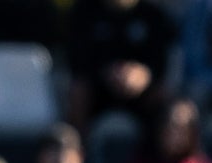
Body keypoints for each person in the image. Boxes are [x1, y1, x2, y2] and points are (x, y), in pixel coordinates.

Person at [64, 0, 179, 131]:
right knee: (79, 91)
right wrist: (106, 72)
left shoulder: (153, 15)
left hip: (142, 91)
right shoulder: (83, 13)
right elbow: (77, 61)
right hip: (98, 91)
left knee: (164, 95)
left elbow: (161, 61)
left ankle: (155, 149)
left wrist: (144, 75)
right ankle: (79, 147)